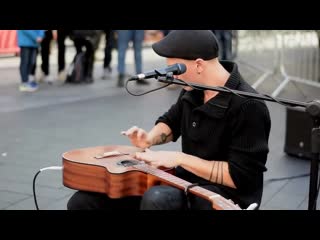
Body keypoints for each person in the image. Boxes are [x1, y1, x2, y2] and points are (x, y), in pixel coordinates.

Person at [67, 30, 271, 210]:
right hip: (184, 182)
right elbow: (171, 122)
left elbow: (241, 177)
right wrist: (149, 139)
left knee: (157, 199)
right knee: (83, 201)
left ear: (199, 65)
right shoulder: (194, 89)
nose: (172, 77)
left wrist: (179, 158)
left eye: (175, 71)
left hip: (223, 197)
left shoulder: (248, 105)